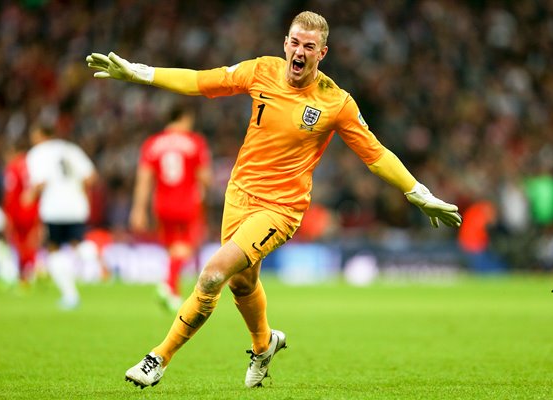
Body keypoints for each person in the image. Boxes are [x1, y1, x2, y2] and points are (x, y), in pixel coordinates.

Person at [87, 10, 462, 389]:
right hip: (239, 194)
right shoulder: (261, 71)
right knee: (241, 284)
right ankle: (264, 345)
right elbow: (201, 81)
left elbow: (375, 154)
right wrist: (139, 72)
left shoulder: (336, 102)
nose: (299, 51)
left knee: (214, 274)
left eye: (309, 47)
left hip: (280, 209)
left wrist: (418, 193)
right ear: (286, 44)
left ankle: (158, 358)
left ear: (322, 53)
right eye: (295, 43)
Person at [129, 104, 212, 311]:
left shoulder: (152, 143)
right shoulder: (194, 142)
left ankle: (173, 293)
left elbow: (144, 179)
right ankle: (167, 286)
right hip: (186, 202)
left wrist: (138, 209)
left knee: (172, 248)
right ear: (184, 117)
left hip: (162, 203)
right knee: (185, 247)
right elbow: (205, 176)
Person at [25, 123, 97, 309]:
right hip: (76, 206)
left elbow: (39, 183)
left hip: (54, 208)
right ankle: (95, 262)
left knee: (54, 249)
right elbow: (91, 177)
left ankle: (70, 296)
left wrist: (29, 195)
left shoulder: (37, 153)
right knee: (78, 242)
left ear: (41, 135)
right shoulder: (71, 149)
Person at [3, 137, 42, 284]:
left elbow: (11, 193)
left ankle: (24, 276)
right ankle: (29, 273)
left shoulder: (13, 167)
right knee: (31, 243)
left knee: (19, 244)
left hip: (18, 211)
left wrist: (8, 215)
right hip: (34, 210)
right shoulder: (33, 163)